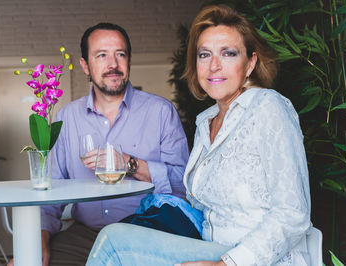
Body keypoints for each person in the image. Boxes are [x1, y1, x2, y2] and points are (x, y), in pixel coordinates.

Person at [86, 5, 312, 266]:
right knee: (119, 237)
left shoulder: (268, 107)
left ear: (250, 62)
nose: (214, 65)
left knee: (113, 242)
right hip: (209, 249)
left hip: (257, 259)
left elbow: (293, 213)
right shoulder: (206, 122)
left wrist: (226, 264)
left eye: (228, 53)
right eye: (204, 55)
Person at [8, 22, 189, 266]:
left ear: (129, 60)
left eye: (120, 54)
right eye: (101, 55)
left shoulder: (161, 112)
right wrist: (40, 238)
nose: (112, 64)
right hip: (84, 235)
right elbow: (50, 191)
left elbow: (183, 184)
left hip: (147, 231)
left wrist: (131, 164)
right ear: (85, 65)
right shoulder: (67, 117)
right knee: (24, 262)